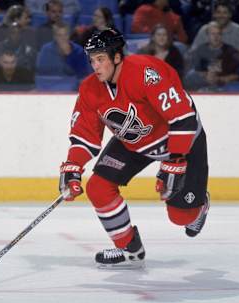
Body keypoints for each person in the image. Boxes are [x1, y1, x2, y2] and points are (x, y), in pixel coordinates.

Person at [58, 28, 210, 268]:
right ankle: (129, 249)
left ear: (117, 57)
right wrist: (73, 167)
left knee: (182, 217)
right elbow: (84, 135)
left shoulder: (147, 72)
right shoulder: (90, 88)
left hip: (180, 141)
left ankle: (199, 204)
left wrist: (176, 160)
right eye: (92, 59)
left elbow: (183, 118)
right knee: (98, 187)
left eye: (100, 59)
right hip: (133, 142)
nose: (95, 66)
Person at [184, 21, 239, 91]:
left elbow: (238, 75)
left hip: (224, 84)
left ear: (222, 35)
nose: (216, 37)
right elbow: (195, 70)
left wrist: (219, 79)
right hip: (203, 83)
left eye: (218, 34)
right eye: (213, 34)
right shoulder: (200, 50)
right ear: (207, 35)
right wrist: (206, 76)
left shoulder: (231, 51)